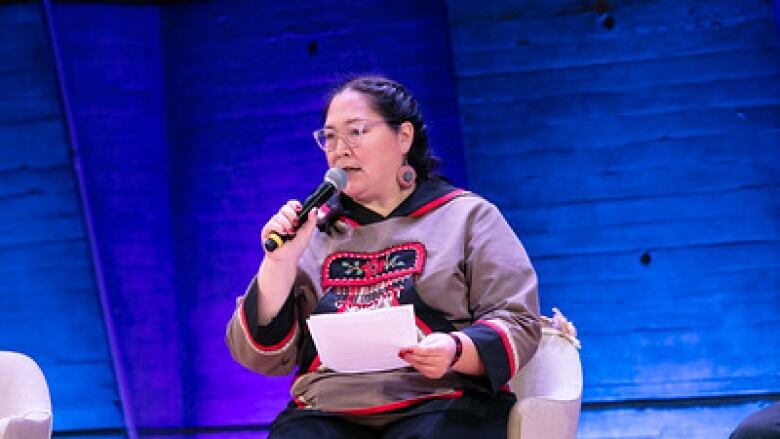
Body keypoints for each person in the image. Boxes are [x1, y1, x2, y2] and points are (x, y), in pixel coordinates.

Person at [226, 75, 541, 438]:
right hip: (329, 410)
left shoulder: (466, 216)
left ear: (403, 137)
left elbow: (518, 320)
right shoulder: (312, 232)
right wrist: (279, 263)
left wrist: (455, 348)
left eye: (356, 132)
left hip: (441, 399)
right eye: (329, 136)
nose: (339, 149)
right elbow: (260, 356)